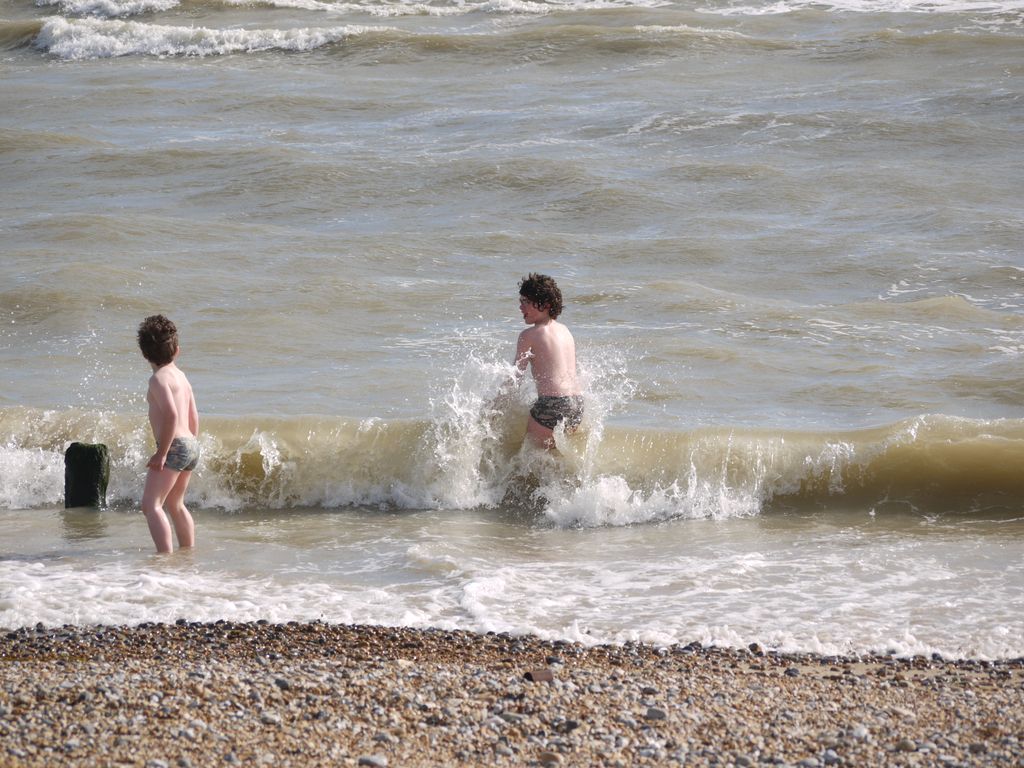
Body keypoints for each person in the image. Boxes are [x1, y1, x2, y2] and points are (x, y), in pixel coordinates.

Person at [137, 315, 199, 553]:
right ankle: (187, 552)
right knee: (176, 503)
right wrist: (191, 444)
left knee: (151, 505)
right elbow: (193, 416)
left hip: (173, 446)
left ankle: (164, 556)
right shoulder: (181, 377)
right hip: (190, 444)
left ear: (145, 354)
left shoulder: (158, 380)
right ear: (177, 350)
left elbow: (171, 415)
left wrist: (162, 453)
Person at [509, 273, 583, 448]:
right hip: (577, 404)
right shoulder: (565, 330)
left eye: (526, 302)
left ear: (546, 304)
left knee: (530, 459)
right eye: (521, 301)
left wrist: (493, 409)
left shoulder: (529, 335)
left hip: (552, 404)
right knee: (553, 458)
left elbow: (514, 378)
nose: (520, 307)